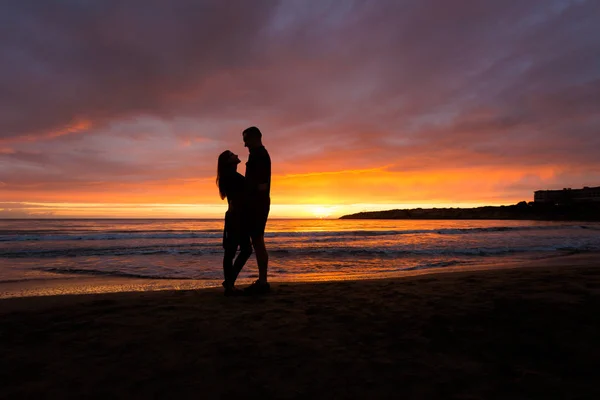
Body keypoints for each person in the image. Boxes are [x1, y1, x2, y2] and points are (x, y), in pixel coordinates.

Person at [216, 150, 252, 296]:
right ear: (229, 162)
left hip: (235, 216)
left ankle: (229, 282)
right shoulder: (232, 177)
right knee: (238, 251)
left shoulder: (230, 176)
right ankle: (229, 284)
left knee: (234, 251)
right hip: (237, 217)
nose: (236, 154)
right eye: (232, 155)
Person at [242, 126, 271, 295]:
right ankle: (262, 281)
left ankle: (262, 281)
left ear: (255, 138)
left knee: (258, 240)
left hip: (258, 204)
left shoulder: (259, 155)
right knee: (257, 240)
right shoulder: (257, 154)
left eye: (246, 140)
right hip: (258, 203)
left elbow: (261, 184)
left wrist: (252, 200)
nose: (245, 144)